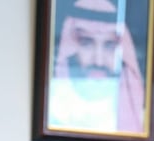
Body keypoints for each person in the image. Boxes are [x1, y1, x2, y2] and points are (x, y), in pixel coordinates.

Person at [46, 0, 145, 133]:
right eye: (87, 42)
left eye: (109, 45)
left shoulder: (139, 113)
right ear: (70, 47)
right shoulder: (52, 105)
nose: (99, 61)